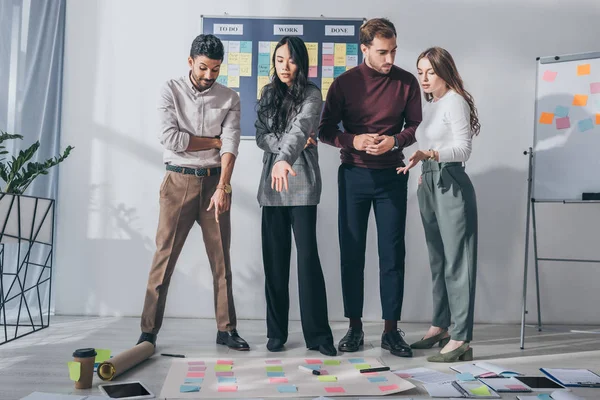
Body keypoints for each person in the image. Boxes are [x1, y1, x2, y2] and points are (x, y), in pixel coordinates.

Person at [137, 34, 249, 351]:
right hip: (178, 183)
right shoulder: (169, 90)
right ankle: (148, 332)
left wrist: (224, 186)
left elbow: (231, 144)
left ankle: (226, 330)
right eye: (203, 68)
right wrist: (214, 141)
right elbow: (172, 139)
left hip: (215, 183)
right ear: (191, 62)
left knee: (221, 261)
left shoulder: (230, 97)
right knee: (164, 259)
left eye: (215, 69)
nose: (209, 75)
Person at [318, 18, 422, 358]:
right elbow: (325, 129)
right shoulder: (345, 83)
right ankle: (355, 326)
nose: (389, 59)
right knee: (352, 253)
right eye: (382, 52)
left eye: (393, 51)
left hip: (393, 174)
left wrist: (394, 140)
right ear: (363, 49)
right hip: (354, 175)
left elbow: (414, 126)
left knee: (393, 254)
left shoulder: (406, 82)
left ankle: (392, 330)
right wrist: (353, 140)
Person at [397, 46, 480, 362]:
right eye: (420, 72)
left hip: (450, 180)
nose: (424, 78)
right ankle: (440, 326)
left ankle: (461, 338)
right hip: (429, 181)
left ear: (445, 70)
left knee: (458, 261)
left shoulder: (455, 102)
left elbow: (463, 150)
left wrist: (431, 156)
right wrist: (424, 169)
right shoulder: (431, 104)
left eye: (430, 71)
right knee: (438, 259)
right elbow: (429, 142)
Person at [255, 36, 336, 357]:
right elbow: (262, 136)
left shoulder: (313, 94)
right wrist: (286, 150)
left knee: (307, 264)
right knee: (274, 263)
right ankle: (276, 333)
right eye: (279, 60)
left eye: (290, 60)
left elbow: (302, 129)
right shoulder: (267, 93)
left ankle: (318, 335)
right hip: (272, 187)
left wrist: (288, 154)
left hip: (302, 185)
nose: (284, 66)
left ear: (301, 62)